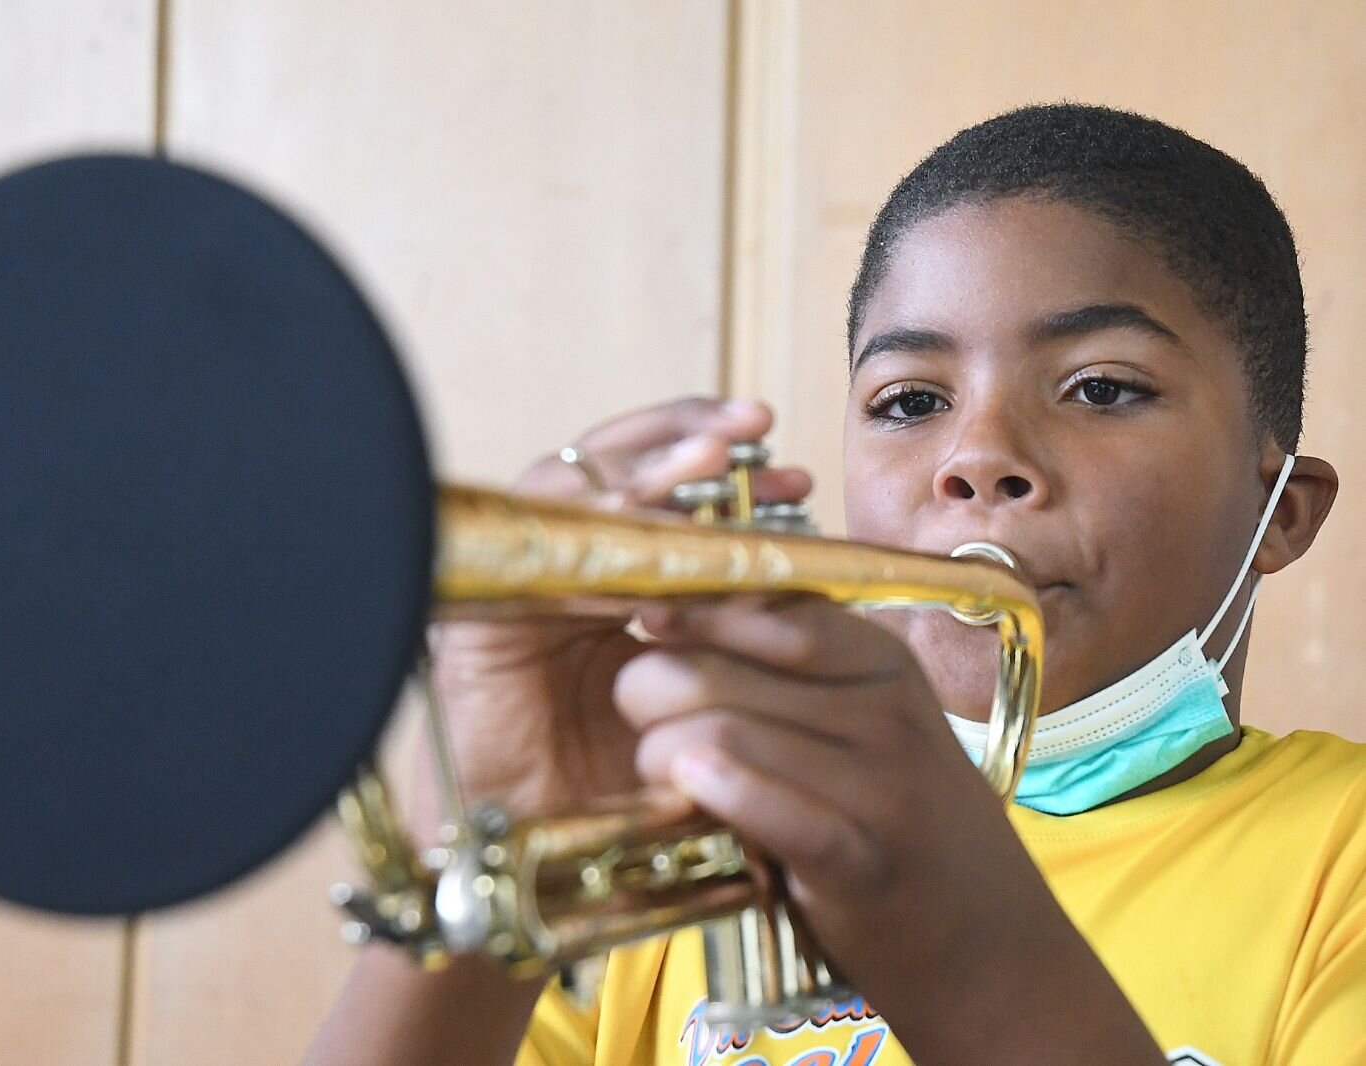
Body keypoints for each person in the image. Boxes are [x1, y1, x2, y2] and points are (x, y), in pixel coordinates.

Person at [303, 104, 1366, 1065]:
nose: (976, 455)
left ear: (1279, 513)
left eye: (1099, 387)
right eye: (908, 402)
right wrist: (491, 840)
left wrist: (947, 927)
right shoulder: (683, 840)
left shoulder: (1340, 859)